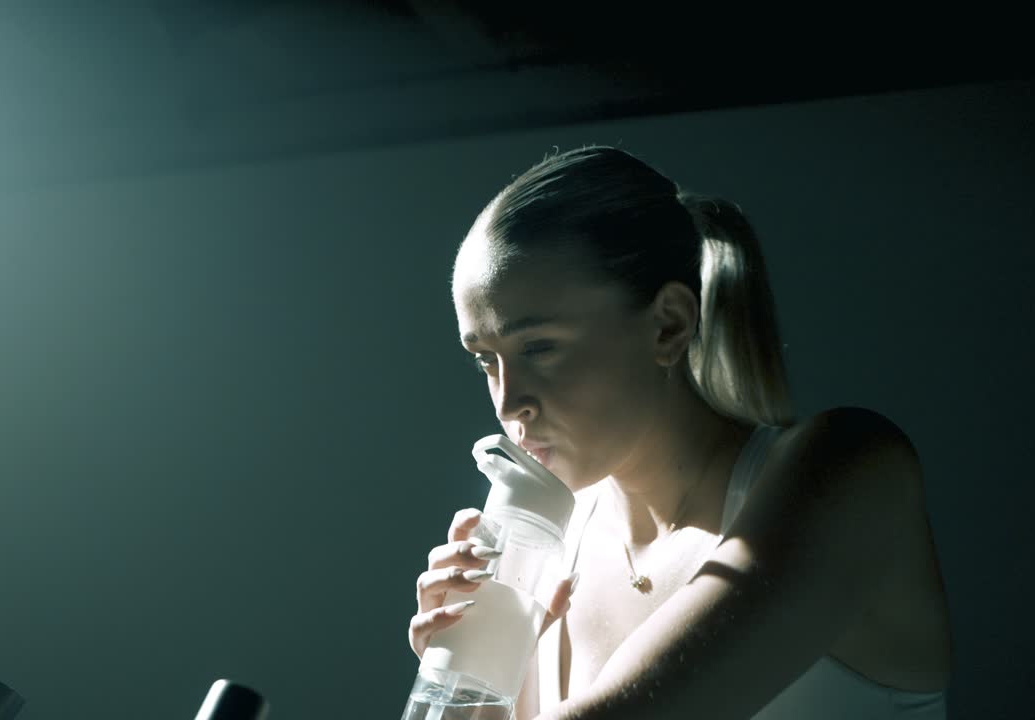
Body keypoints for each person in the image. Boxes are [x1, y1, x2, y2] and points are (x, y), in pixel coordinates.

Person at [406, 146, 952, 719]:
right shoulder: (550, 555)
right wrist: (470, 684)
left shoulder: (852, 470)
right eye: (485, 360)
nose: (508, 401)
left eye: (539, 348)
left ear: (669, 324)